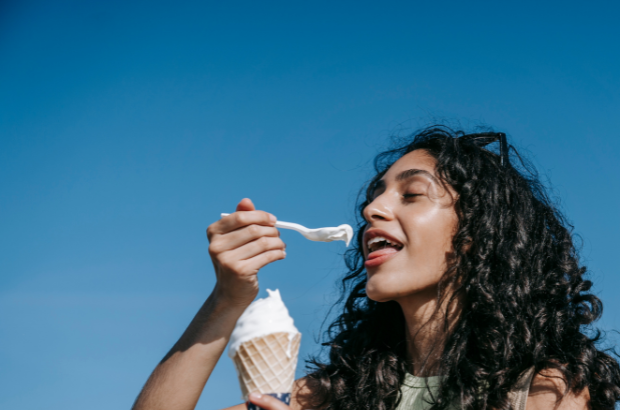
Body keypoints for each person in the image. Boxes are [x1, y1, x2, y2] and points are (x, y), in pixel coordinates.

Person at [132, 126, 620, 410]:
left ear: (476, 235)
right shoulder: (336, 393)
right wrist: (227, 299)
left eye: (411, 194)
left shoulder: (549, 390)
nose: (371, 210)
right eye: (374, 196)